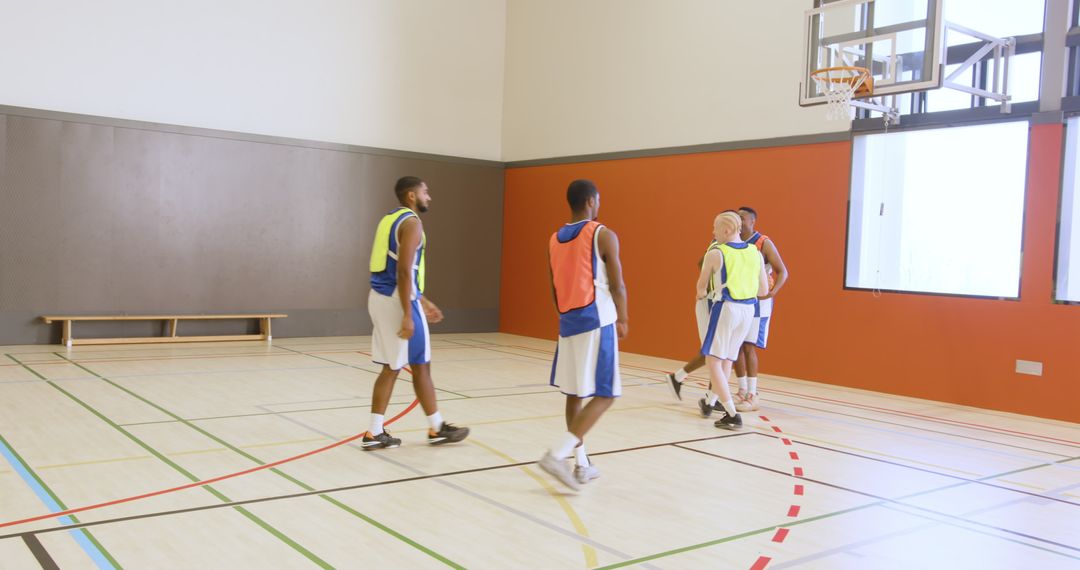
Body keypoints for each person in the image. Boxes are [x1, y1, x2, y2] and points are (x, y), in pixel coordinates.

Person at [362, 176, 470, 449]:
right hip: (398, 302)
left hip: (380, 297)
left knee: (395, 366)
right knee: (419, 364)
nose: (429, 197)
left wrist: (422, 299)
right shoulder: (412, 223)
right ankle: (435, 429)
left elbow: (396, 267)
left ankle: (378, 431)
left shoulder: (388, 219)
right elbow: (402, 270)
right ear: (411, 195)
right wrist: (409, 313)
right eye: (425, 192)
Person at [538, 179, 629, 491]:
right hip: (598, 320)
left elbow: (553, 286)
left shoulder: (554, 238)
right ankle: (559, 454)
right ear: (591, 201)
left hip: (569, 323)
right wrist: (624, 317)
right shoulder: (603, 234)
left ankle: (582, 463)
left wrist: (565, 316)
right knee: (606, 393)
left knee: (575, 394)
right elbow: (617, 284)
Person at [695, 212, 768, 430]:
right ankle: (710, 403)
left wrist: (701, 297)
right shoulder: (755, 253)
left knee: (712, 360)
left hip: (726, 307)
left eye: (715, 227)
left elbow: (700, 287)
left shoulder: (716, 252)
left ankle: (732, 414)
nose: (712, 232)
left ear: (726, 230)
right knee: (727, 359)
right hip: (748, 310)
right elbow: (764, 290)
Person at [665, 210, 740, 400]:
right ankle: (711, 398)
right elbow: (702, 265)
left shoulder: (738, 249)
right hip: (710, 301)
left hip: (726, 304)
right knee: (715, 352)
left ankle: (685, 382)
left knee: (717, 352)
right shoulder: (718, 247)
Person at [732, 206, 789, 412]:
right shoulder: (733, 242)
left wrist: (772, 293)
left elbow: (783, 271)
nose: (739, 221)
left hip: (759, 302)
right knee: (736, 345)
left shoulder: (763, 242)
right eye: (737, 217)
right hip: (740, 299)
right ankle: (741, 389)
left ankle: (753, 394)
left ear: (752, 221)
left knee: (749, 346)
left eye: (743, 218)